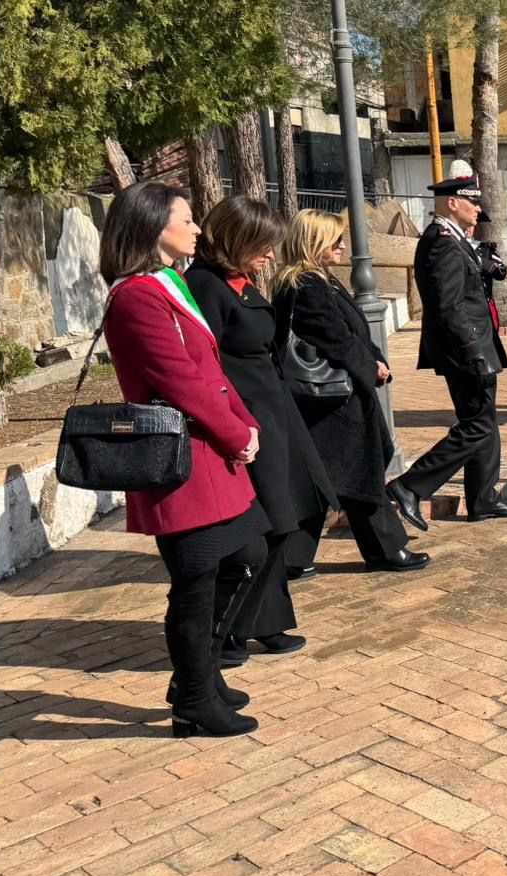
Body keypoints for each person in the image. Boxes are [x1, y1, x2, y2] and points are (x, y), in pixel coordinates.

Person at [98, 183, 266, 737]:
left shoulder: (167, 285)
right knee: (195, 582)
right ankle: (193, 700)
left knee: (247, 552)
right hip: (180, 461)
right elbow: (179, 382)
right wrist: (233, 432)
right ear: (152, 227)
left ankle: (201, 674)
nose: (198, 229)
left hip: (210, 451)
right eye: (187, 220)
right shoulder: (135, 297)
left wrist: (244, 424)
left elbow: (210, 369)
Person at [187, 196, 338, 667]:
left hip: (275, 412)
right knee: (263, 525)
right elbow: (205, 367)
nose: (272, 254)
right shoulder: (205, 285)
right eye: (264, 245)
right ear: (238, 239)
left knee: (292, 514)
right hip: (246, 418)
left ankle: (267, 620)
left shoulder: (241, 280)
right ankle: (231, 629)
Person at [273, 210, 431, 572]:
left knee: (328, 478)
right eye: (335, 239)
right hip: (331, 400)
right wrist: (369, 365)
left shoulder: (316, 279)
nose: (343, 245)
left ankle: (292, 558)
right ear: (314, 243)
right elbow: (336, 337)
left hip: (328, 399)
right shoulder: (307, 284)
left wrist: (371, 358)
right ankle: (385, 551)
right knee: (358, 472)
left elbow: (350, 331)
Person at [386, 169, 507, 528]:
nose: (478, 209)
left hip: (474, 344)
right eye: (472, 202)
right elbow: (448, 306)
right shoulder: (442, 241)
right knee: (476, 424)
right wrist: (472, 349)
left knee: (485, 421)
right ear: (453, 203)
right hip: (465, 348)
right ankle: (410, 486)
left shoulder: (453, 238)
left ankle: (483, 498)